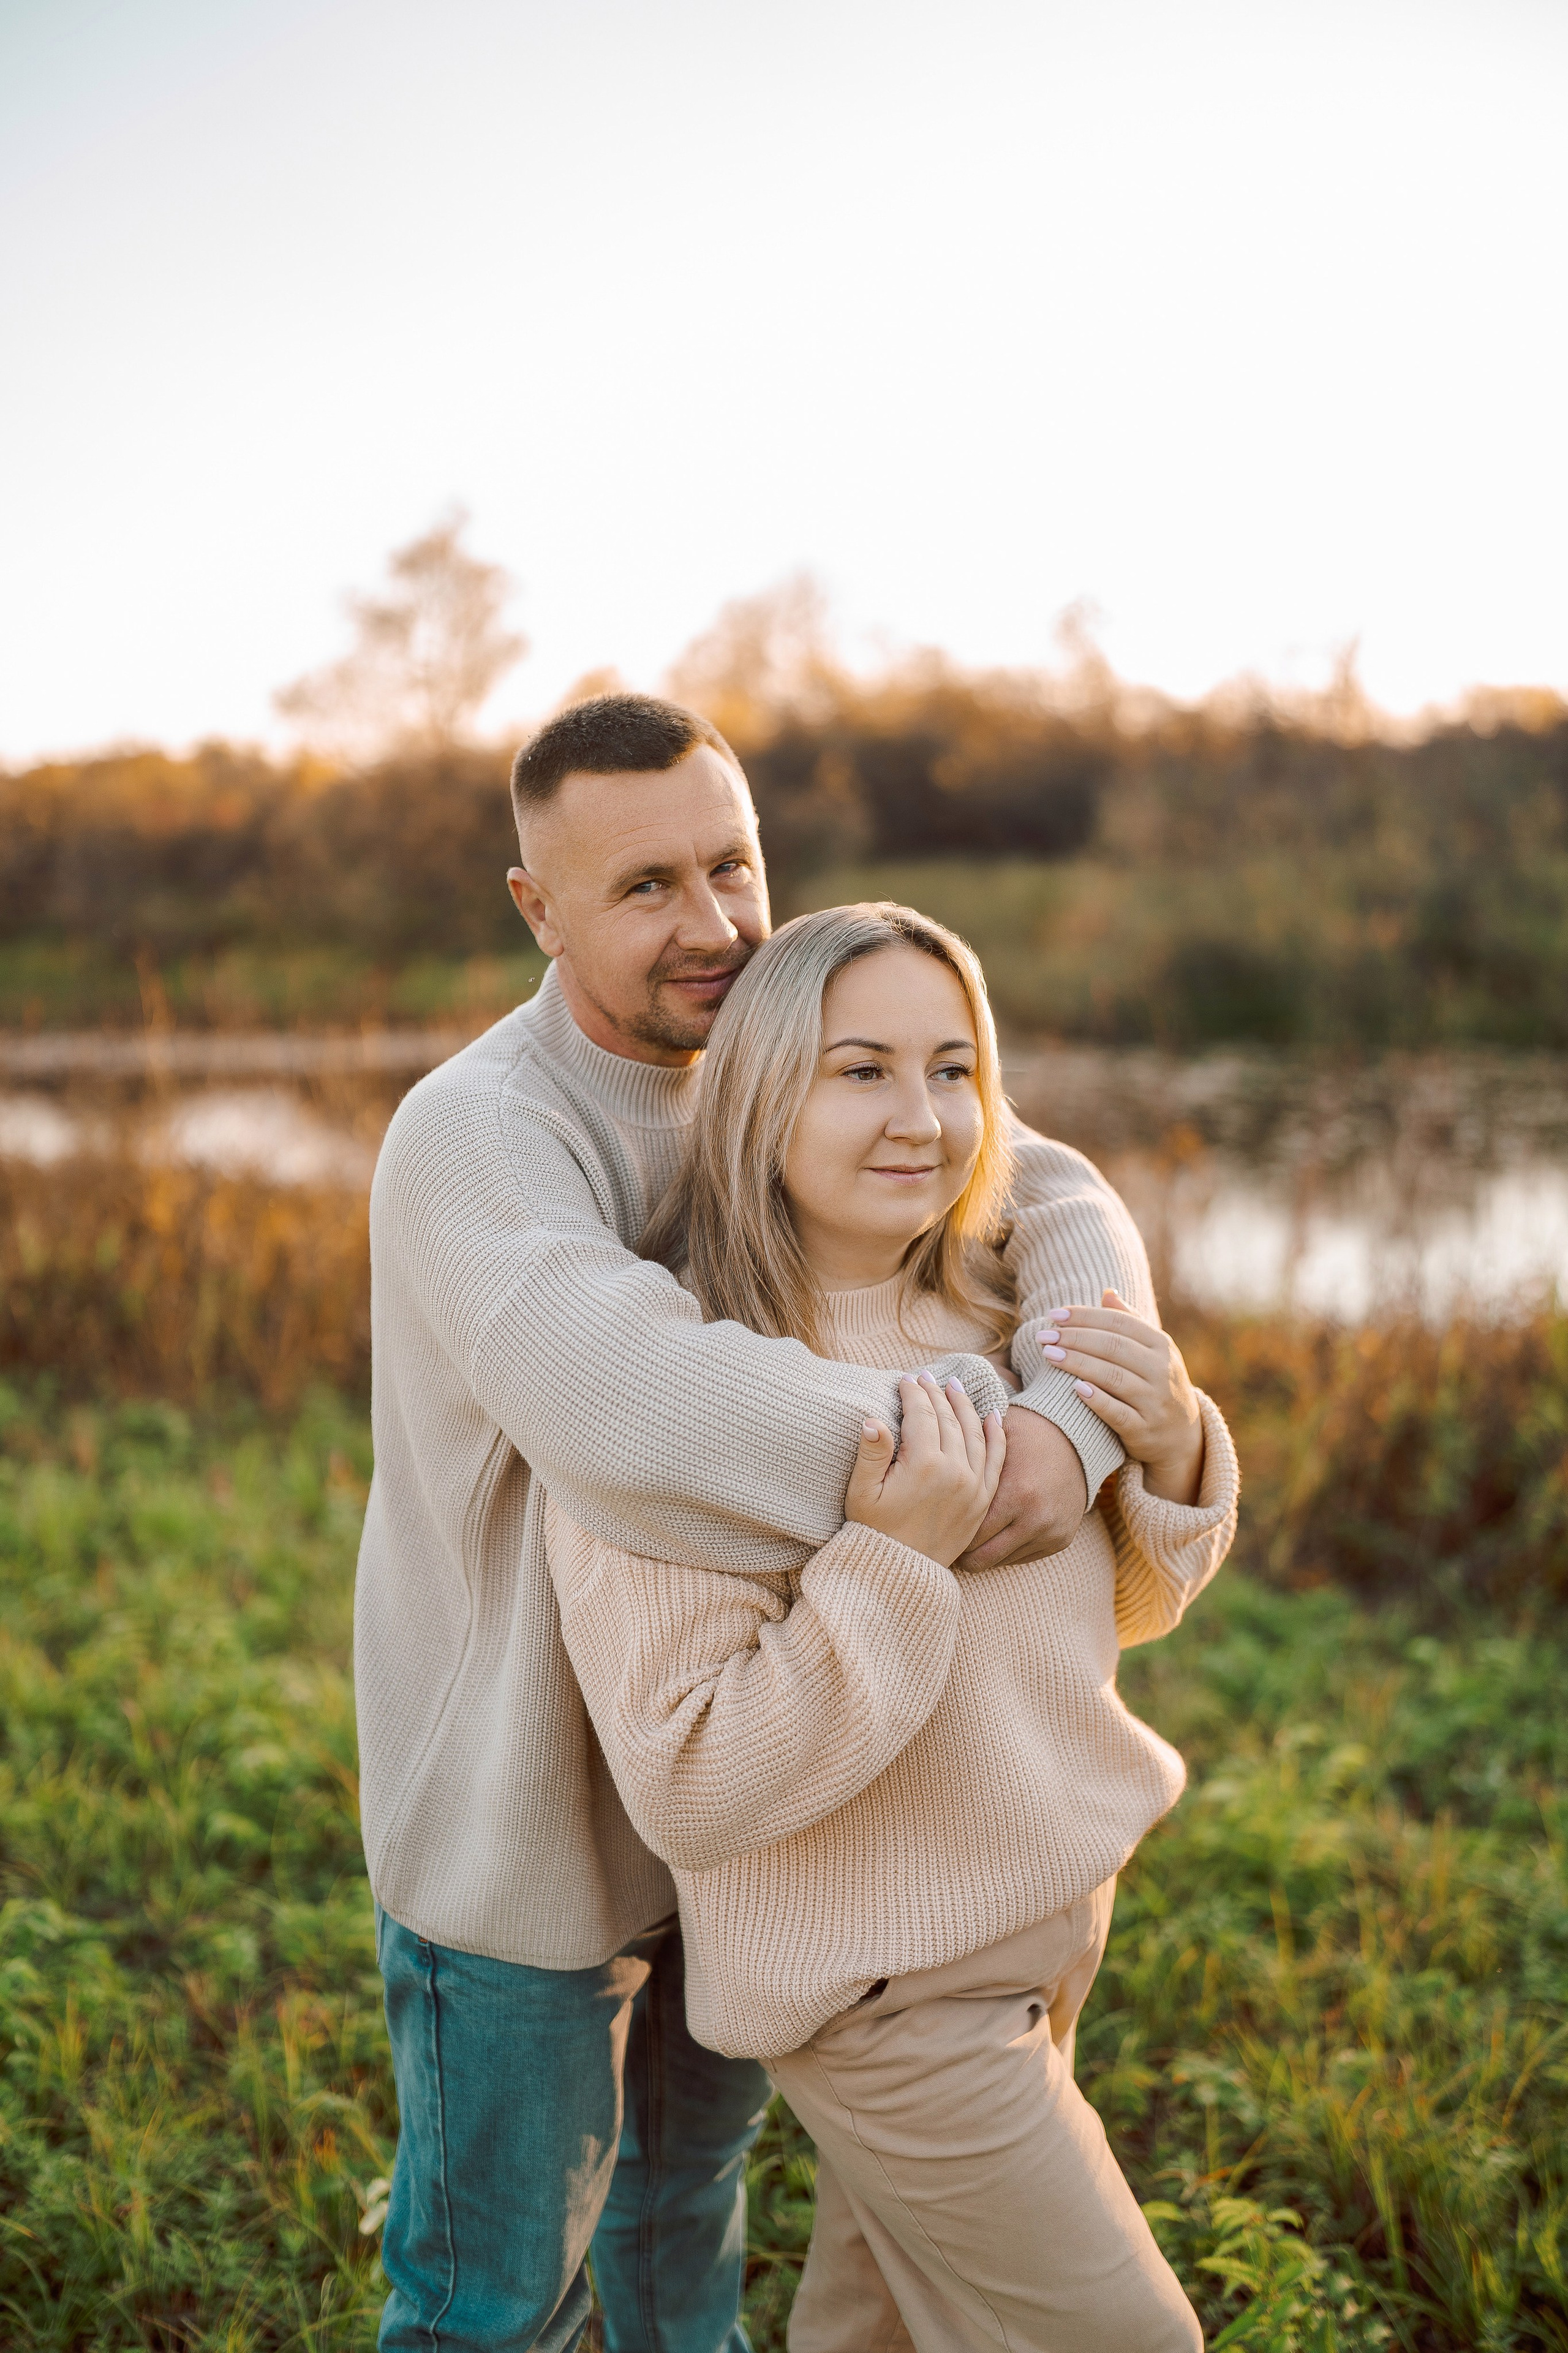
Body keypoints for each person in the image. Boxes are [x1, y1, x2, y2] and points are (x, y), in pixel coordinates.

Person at [356, 693, 1156, 2352]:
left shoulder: (769, 1052)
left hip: (759, 1794)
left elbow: (1044, 1176)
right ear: (538, 907)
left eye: (735, 863)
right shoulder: (481, 1134)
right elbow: (631, 1404)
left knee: (680, 2243)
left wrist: (1072, 1423)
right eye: (646, 885)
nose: (715, 924)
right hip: (530, 1818)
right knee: (495, 2300)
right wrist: (963, 1461)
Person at [547, 902, 1240, 2351]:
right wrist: (888, 1564)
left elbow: (1127, 1603)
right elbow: (692, 1777)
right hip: (887, 1991)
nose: (919, 1117)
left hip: (1048, 1920)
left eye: (952, 1067)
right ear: (756, 1090)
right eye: (858, 1069)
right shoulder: (681, 1392)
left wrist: (1167, 1443)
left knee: (883, 2332)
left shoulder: (1003, 1316)